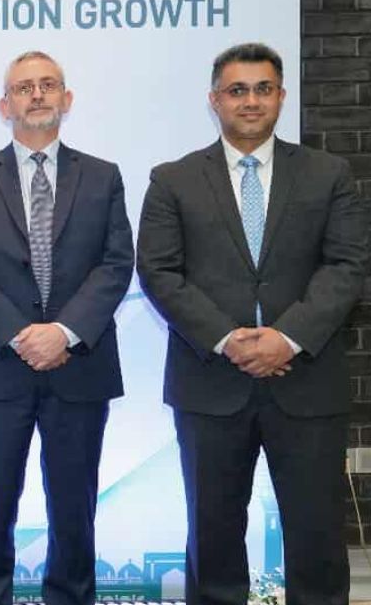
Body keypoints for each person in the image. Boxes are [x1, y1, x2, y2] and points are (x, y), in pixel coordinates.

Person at [137, 42, 367, 604]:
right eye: (237, 90)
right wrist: (228, 340)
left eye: (263, 89)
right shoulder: (173, 179)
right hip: (210, 383)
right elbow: (159, 271)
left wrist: (287, 338)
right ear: (214, 99)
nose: (251, 101)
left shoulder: (328, 174)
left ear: (281, 97)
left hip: (306, 382)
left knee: (316, 536)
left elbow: (347, 265)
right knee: (213, 536)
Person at [0, 51, 133, 605]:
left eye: (48, 85)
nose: (37, 95)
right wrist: (22, 334)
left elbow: (116, 263)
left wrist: (64, 332)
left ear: (67, 100)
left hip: (79, 365)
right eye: (24, 87)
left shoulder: (103, 176)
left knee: (74, 505)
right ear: (5, 106)